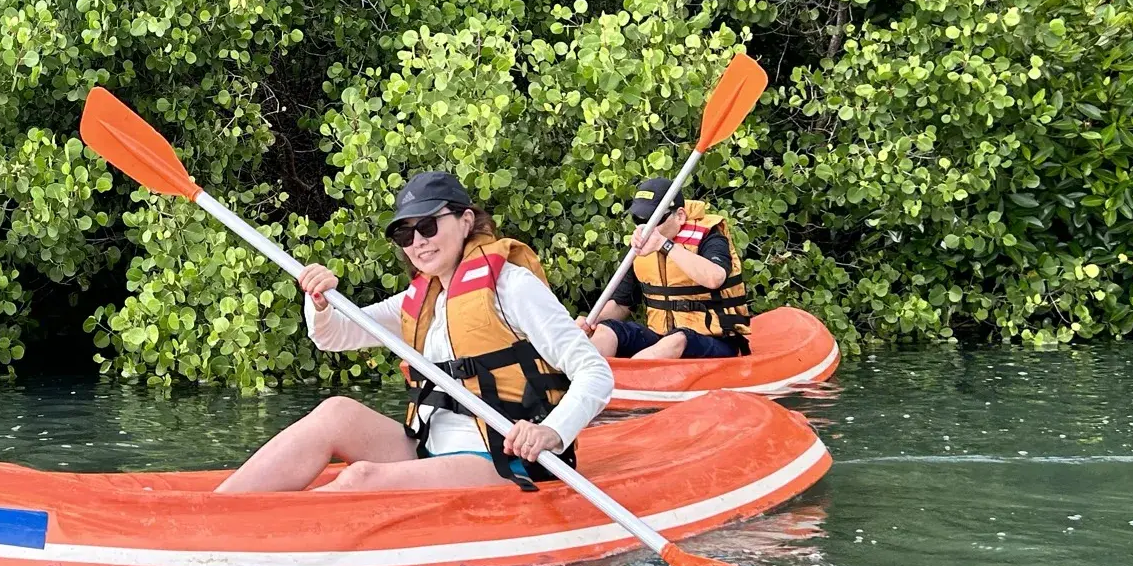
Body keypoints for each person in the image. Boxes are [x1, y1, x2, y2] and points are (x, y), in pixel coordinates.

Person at [216, 170, 613, 494]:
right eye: (405, 234)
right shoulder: (419, 300)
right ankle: (218, 512)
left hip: (505, 458)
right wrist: (318, 301)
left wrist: (551, 432)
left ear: (466, 221)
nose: (418, 242)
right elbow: (333, 336)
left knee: (360, 478)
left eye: (427, 226)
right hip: (432, 448)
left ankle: (257, 538)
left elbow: (595, 372)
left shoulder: (513, 287)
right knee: (336, 413)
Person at [582, 176, 753, 361]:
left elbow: (715, 278)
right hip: (660, 336)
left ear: (679, 216)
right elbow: (621, 304)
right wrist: (591, 322)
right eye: (639, 219)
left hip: (714, 339)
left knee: (676, 340)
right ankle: (580, 374)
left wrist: (665, 245)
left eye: (655, 220)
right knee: (606, 330)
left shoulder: (710, 236)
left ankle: (630, 376)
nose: (647, 228)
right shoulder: (640, 247)